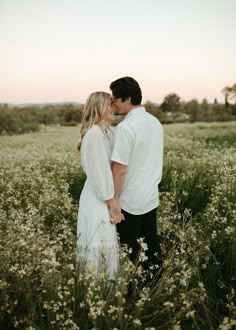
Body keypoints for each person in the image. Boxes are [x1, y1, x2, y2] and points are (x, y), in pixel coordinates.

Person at [109, 77, 163, 268]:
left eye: (115, 99)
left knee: (129, 252)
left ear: (128, 98)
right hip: (150, 195)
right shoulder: (155, 122)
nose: (113, 104)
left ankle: (133, 291)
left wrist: (113, 200)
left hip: (129, 200)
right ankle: (156, 285)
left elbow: (119, 169)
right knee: (151, 247)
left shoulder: (125, 128)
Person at [76, 91, 124, 277]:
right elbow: (98, 174)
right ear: (99, 107)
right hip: (98, 197)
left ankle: (108, 291)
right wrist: (112, 203)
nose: (114, 108)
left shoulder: (109, 132)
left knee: (107, 241)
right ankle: (94, 290)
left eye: (114, 104)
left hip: (108, 195)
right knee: (98, 240)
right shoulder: (94, 134)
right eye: (109, 104)